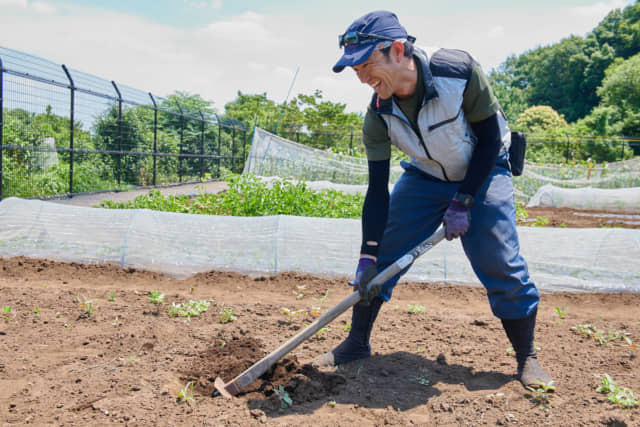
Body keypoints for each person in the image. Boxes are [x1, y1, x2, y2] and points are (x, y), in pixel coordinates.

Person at [313, 10, 554, 390]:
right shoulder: (379, 113)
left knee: (499, 260)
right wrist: (367, 255)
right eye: (354, 69)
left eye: (364, 64)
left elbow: (490, 140)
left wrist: (465, 199)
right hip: (426, 175)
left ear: (396, 50)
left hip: (485, 167)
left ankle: (527, 358)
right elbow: (377, 191)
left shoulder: (456, 72)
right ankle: (356, 343)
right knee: (384, 252)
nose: (361, 77)